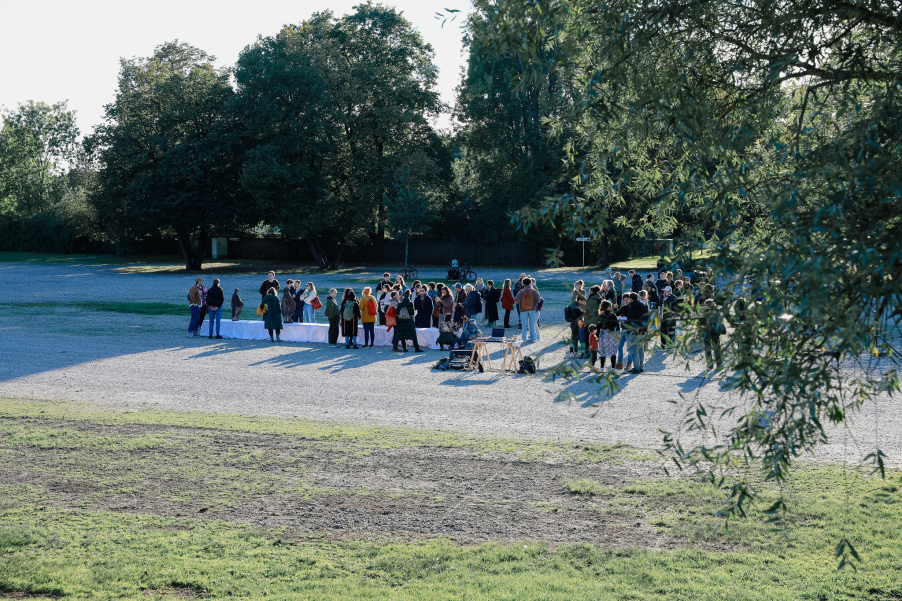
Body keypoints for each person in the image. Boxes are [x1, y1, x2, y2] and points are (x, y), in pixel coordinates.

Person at [626, 290, 651, 373]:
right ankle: (641, 366)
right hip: (643, 329)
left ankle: (636, 367)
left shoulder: (632, 306)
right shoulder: (645, 305)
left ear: (631, 299)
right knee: (641, 349)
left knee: (635, 349)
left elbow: (630, 319)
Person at [514, 277, 541, 342]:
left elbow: (517, 300)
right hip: (532, 309)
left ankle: (524, 339)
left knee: (524, 324)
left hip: (523, 309)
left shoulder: (521, 291)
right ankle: (533, 338)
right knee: (532, 324)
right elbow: (539, 300)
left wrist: (522, 302)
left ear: (523, 283)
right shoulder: (533, 291)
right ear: (530, 283)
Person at [701, 299, 725, 371]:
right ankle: (719, 364)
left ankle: (710, 365)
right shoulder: (717, 312)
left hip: (707, 332)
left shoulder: (704, 313)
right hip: (715, 332)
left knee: (708, 349)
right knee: (717, 348)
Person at [597, 300, 619, 369]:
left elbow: (598, 326)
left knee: (602, 351)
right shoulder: (613, 315)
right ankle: (613, 368)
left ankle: (602, 368)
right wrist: (619, 334)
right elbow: (617, 325)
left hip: (603, 334)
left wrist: (597, 336)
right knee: (613, 351)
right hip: (612, 334)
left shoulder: (601, 315)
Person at [615, 293, 632, 369]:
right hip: (623, 329)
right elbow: (616, 314)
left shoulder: (633, 307)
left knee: (629, 348)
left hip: (630, 330)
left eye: (627, 299)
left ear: (630, 298)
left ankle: (629, 363)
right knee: (619, 346)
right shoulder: (624, 307)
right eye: (624, 300)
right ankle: (620, 362)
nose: (626, 301)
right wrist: (615, 308)